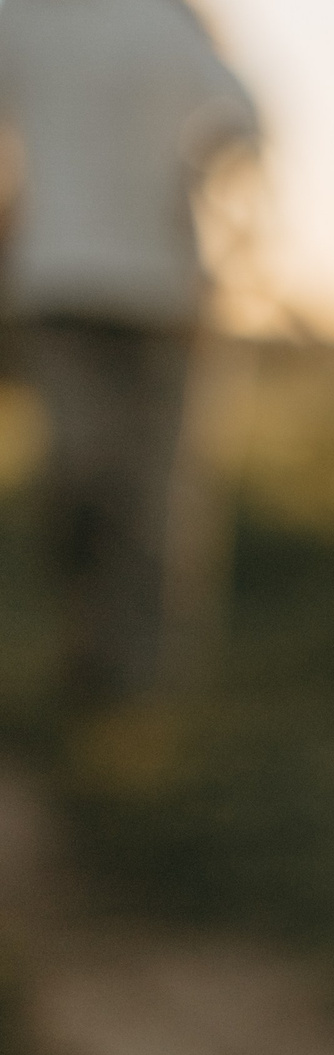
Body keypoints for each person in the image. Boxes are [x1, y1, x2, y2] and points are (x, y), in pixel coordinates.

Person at [0, 0, 259, 707]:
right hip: (58, 287)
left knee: (154, 492)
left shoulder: (173, 18)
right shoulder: (21, 17)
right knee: (79, 477)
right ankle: (91, 649)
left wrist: (201, 178)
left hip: (164, 295)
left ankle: (145, 683)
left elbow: (243, 121)